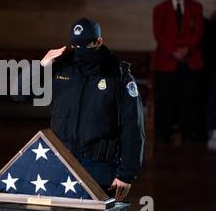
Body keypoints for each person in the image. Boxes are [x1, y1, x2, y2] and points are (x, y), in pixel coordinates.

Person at [13, 18, 145, 201]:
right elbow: (19, 94)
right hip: (60, 162)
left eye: (85, 45)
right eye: (75, 46)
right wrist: (41, 65)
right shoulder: (61, 67)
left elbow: (133, 126)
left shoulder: (118, 74)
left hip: (99, 166)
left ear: (99, 42)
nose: (79, 51)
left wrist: (126, 174)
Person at [152, 0, 204, 144]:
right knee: (166, 99)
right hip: (167, 62)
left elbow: (198, 32)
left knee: (189, 99)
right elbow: (159, 34)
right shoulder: (160, 10)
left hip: (190, 61)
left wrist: (186, 50)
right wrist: (174, 51)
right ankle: (163, 133)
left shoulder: (196, 7)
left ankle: (189, 132)